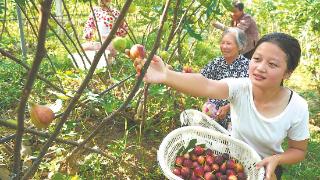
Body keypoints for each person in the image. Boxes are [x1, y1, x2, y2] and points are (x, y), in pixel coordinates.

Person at [133, 32, 309, 180]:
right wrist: (166, 75)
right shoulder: (241, 88)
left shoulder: (298, 107)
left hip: (266, 165)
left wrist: (276, 159)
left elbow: (298, 150)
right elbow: (206, 85)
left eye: (272, 64)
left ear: (287, 73)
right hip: (232, 157)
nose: (260, 68)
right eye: (257, 59)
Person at [200, 27, 249, 131]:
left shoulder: (247, 66)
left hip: (236, 111)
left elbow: (248, 94)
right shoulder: (217, 62)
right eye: (223, 43)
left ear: (240, 46)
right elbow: (201, 79)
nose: (224, 46)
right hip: (214, 111)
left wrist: (228, 108)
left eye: (229, 43)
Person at [72, 0, 128, 69]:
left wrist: (116, 34)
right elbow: (88, 26)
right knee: (83, 47)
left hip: (111, 43)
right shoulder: (95, 12)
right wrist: (90, 34)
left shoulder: (115, 13)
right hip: (100, 42)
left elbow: (124, 29)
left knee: (110, 49)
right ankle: (96, 63)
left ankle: (108, 63)